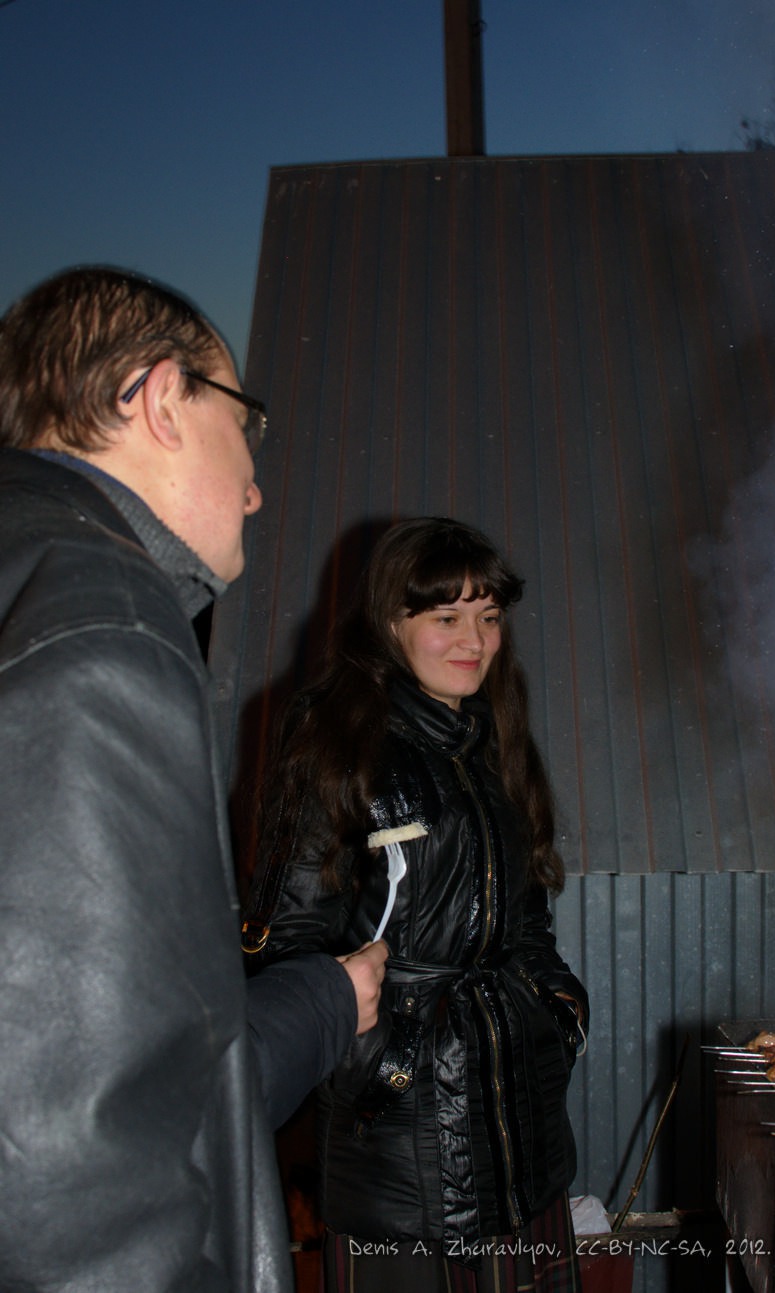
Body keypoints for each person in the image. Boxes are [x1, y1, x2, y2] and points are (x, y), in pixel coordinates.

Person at [0, 266, 387, 1293]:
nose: (255, 485)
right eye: (245, 422)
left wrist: (315, 1001)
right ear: (162, 399)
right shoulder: (104, 620)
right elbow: (80, 1161)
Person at [245, 517, 590, 1293]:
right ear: (389, 623)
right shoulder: (334, 738)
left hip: (524, 1128)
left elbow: (526, 919)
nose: (475, 639)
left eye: (489, 616)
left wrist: (559, 1012)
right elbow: (283, 944)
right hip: (397, 1147)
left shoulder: (495, 738)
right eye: (446, 616)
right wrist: (385, 1064)